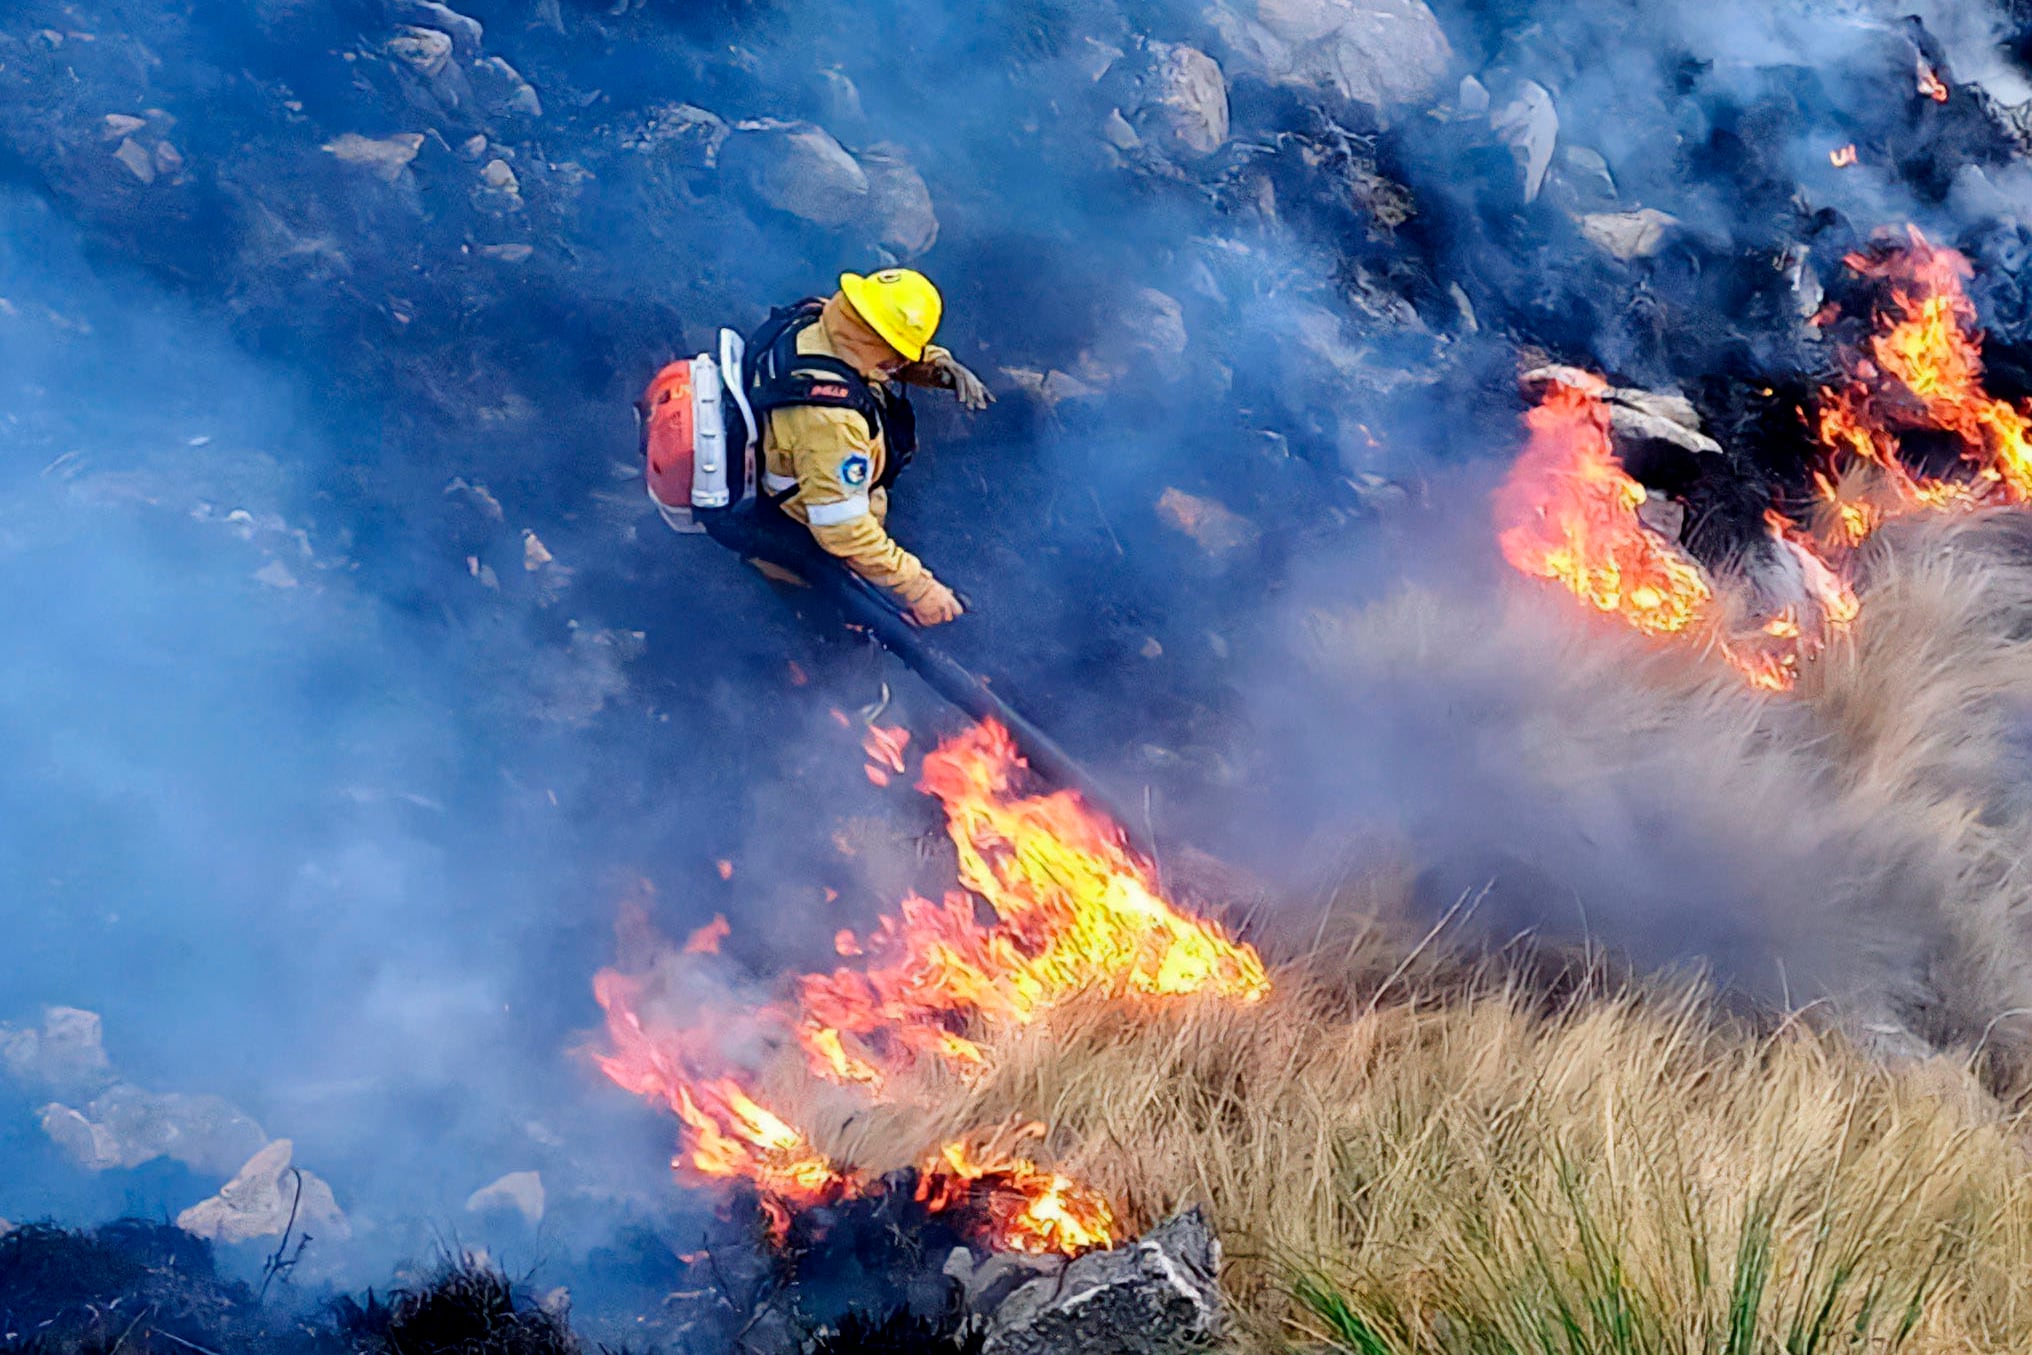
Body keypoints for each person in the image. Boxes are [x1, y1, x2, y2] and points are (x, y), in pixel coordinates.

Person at [739, 268, 992, 627]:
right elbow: (843, 530)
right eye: (900, 355)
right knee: (846, 661)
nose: (902, 364)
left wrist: (935, 366)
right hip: (801, 557)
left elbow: (869, 349)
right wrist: (919, 588)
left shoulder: (819, 321)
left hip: (797, 490)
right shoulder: (832, 424)